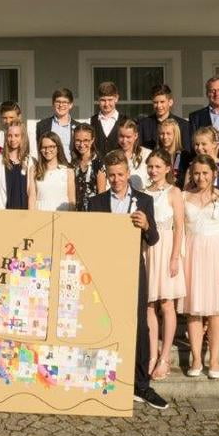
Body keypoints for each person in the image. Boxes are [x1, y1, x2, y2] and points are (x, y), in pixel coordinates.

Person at [87, 150, 167, 410]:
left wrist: (147, 226)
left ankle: (141, 385)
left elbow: (153, 239)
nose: (116, 180)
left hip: (134, 269)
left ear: (128, 174)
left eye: (120, 174)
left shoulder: (144, 200)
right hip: (106, 271)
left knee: (140, 327)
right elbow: (90, 239)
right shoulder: (96, 202)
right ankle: (103, 382)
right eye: (112, 175)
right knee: (103, 323)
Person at [177, 154, 219, 380]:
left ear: (214, 173)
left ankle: (214, 359)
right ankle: (196, 358)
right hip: (191, 256)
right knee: (193, 311)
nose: (201, 177)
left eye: (205, 173)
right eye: (197, 173)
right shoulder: (183, 196)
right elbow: (179, 230)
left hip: (216, 256)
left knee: (214, 312)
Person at [143, 149, 186, 382]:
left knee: (167, 303)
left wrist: (175, 257)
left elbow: (179, 226)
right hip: (149, 249)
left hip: (167, 247)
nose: (153, 171)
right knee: (149, 304)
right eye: (150, 166)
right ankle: (152, 354)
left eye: (158, 166)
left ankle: (165, 356)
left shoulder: (174, 192)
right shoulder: (143, 192)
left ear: (167, 168)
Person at [0, 120, 33, 210]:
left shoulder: (29, 161)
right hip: (5, 211)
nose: (13, 139)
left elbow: (32, 190)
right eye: (10, 136)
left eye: (16, 135)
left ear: (23, 137)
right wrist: (2, 211)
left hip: (25, 212)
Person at [28, 132, 74, 211]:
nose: (47, 150)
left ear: (58, 148)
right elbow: (32, 197)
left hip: (62, 214)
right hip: (40, 213)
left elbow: (72, 200)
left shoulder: (68, 171)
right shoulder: (34, 169)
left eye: (51, 147)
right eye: (44, 147)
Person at [139, 84, 191, 154]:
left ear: (170, 102)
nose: (159, 106)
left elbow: (186, 152)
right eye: (155, 102)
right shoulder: (143, 124)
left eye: (162, 102)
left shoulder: (183, 125)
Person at [188, 76, 219, 144]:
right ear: (207, 94)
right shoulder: (196, 117)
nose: (216, 94)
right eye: (212, 91)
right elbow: (192, 143)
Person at [187, 126, 219, 193]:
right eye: (197, 144)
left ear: (214, 144)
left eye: (203, 144)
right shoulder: (192, 166)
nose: (199, 148)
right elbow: (186, 192)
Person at [71, 123, 106, 211]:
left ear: (92, 140)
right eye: (78, 140)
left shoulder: (98, 163)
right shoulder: (73, 163)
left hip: (93, 211)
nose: (81, 144)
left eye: (85, 140)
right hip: (75, 211)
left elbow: (102, 193)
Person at [35, 88, 77, 161]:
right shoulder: (42, 125)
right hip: (48, 166)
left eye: (65, 102)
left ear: (70, 105)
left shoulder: (78, 127)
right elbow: (38, 149)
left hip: (70, 166)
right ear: (53, 104)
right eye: (58, 102)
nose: (61, 105)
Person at [89, 81, 127, 157]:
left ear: (116, 98)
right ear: (98, 99)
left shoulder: (126, 121)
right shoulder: (90, 122)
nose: (106, 104)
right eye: (103, 100)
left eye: (110, 100)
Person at [118, 119, 152, 191]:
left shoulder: (147, 154)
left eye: (128, 137)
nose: (124, 141)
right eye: (121, 136)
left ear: (136, 135)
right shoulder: (113, 156)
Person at [157, 120, 188, 190]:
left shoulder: (185, 156)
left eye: (168, 134)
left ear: (175, 135)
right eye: (162, 133)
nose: (165, 137)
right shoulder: (157, 154)